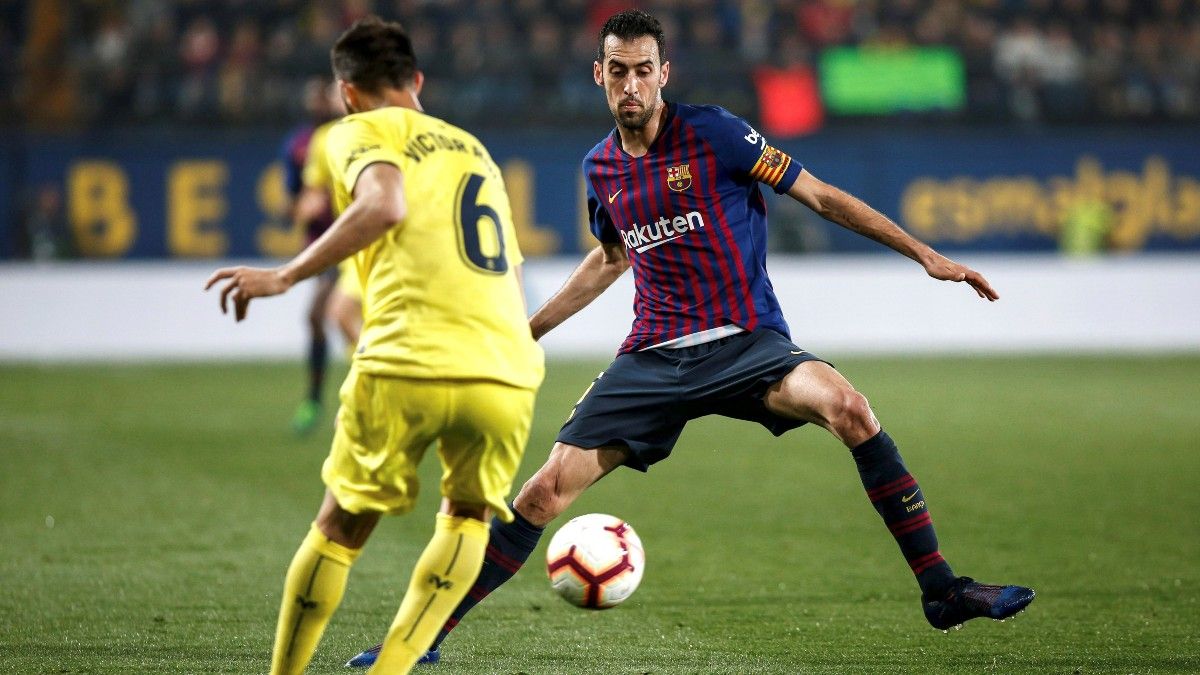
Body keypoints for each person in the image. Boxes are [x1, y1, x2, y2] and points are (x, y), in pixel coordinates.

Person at [348, 8, 1035, 669]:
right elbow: (612, 258)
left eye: (643, 70)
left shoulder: (718, 135)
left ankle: (942, 588)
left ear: (664, 72)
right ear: (599, 75)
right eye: (617, 71)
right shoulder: (600, 169)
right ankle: (423, 636)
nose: (631, 85)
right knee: (541, 494)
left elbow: (820, 196)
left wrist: (925, 254)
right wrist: (528, 331)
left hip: (747, 344)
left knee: (850, 408)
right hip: (653, 356)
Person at [206, 16, 544, 675]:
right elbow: (513, 272)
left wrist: (284, 273)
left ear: (346, 92)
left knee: (340, 526)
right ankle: (391, 669)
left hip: (407, 358)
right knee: (468, 518)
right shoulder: (475, 149)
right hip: (503, 370)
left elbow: (385, 204)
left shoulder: (352, 130)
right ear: (417, 81)